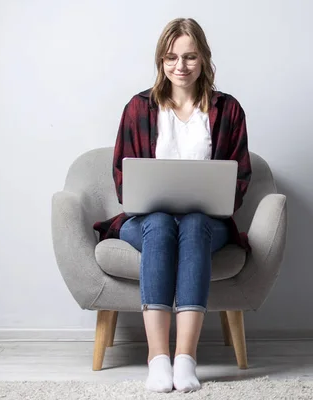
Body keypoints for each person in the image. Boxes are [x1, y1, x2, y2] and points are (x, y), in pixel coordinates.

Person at [92, 17, 252, 393]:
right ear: (161, 61)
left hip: (205, 224)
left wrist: (217, 201)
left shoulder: (228, 111)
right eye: (171, 57)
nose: (180, 66)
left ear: (204, 59)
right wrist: (148, 203)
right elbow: (123, 177)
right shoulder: (138, 108)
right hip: (145, 222)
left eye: (190, 57)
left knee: (194, 223)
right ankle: (158, 360)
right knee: (162, 223)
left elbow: (239, 177)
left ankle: (185, 360)